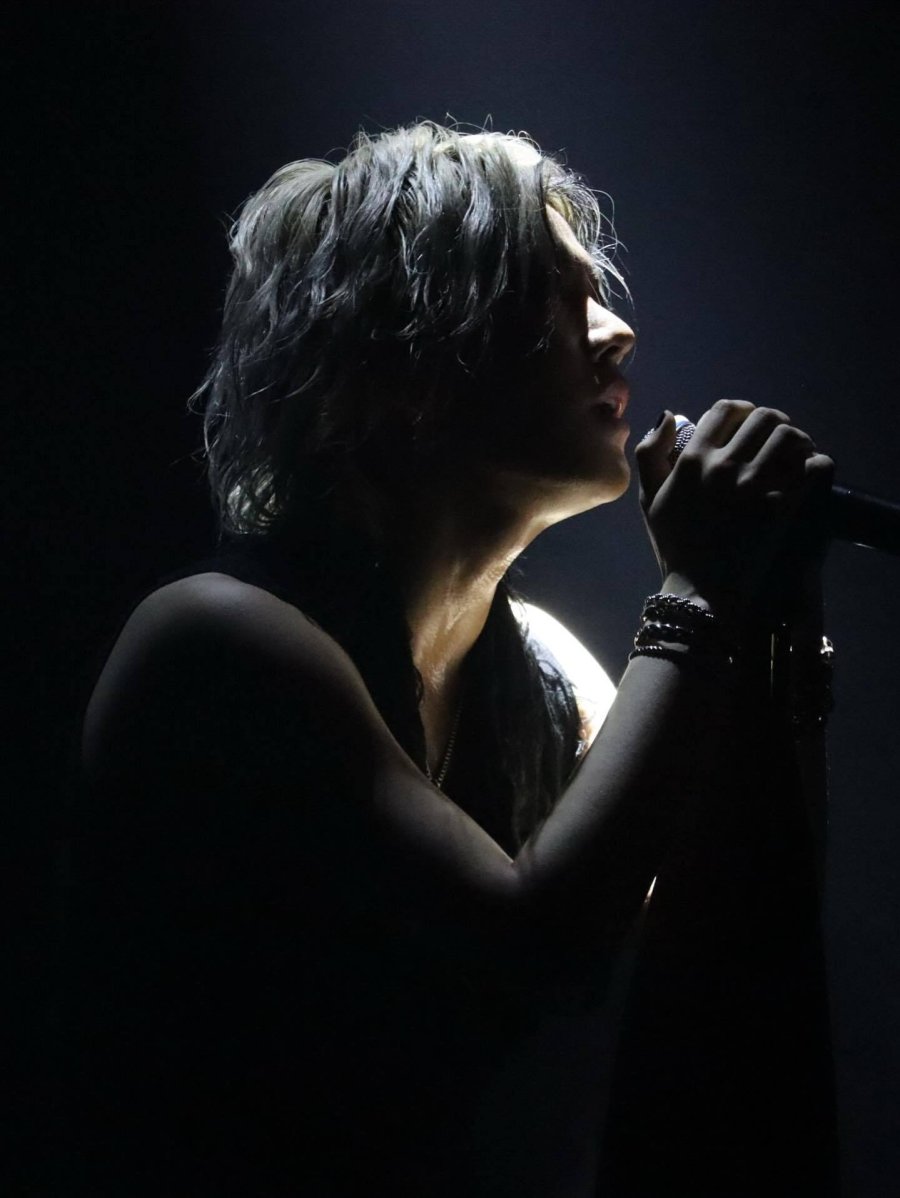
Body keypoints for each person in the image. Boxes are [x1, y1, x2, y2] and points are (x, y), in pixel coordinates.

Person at [70, 121, 837, 1196]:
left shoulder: (556, 676)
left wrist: (771, 632)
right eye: (555, 296)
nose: (618, 331)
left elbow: (726, 949)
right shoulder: (216, 640)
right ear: (406, 354)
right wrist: (698, 595)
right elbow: (541, 951)